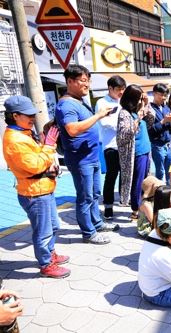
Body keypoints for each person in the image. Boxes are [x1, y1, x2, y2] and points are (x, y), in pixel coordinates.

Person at [3, 96, 70, 278]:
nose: (32, 118)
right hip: (34, 192)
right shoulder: (15, 139)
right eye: (28, 115)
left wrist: (44, 147)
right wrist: (48, 146)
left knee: (53, 226)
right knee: (43, 231)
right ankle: (46, 264)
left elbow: (38, 159)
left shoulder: (23, 132)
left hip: (43, 188)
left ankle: (49, 253)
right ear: (15, 116)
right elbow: (35, 166)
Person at [55, 64, 119, 245]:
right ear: (70, 81)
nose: (87, 84)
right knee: (85, 196)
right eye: (83, 80)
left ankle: (97, 223)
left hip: (91, 156)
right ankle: (88, 232)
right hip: (80, 159)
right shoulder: (66, 104)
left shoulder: (79, 101)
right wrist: (98, 116)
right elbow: (72, 129)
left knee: (94, 193)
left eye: (88, 80)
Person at [117, 85, 153, 220]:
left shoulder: (137, 110)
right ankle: (135, 209)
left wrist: (146, 105)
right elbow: (125, 134)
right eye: (138, 98)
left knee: (144, 181)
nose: (140, 101)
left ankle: (143, 206)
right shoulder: (124, 113)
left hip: (145, 151)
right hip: (136, 154)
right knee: (137, 182)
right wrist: (138, 117)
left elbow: (151, 120)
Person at [95, 75, 126, 219]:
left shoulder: (123, 102)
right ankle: (108, 205)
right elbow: (104, 122)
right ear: (110, 88)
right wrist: (122, 126)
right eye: (118, 89)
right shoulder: (102, 102)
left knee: (124, 173)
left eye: (123, 89)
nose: (121, 92)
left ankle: (123, 199)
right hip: (110, 145)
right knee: (111, 174)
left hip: (124, 145)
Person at [147, 83, 171, 185]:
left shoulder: (166, 108)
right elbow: (150, 130)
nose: (164, 98)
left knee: (170, 170)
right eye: (161, 95)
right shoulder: (149, 109)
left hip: (168, 143)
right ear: (154, 94)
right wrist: (163, 121)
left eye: (165, 95)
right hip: (157, 145)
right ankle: (160, 193)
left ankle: (169, 192)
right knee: (160, 172)